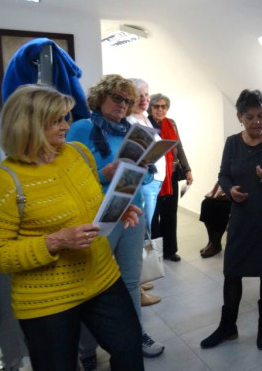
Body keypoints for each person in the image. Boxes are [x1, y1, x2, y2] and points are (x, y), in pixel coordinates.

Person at [0, 85, 144, 371]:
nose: (65, 126)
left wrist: (116, 209)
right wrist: (54, 242)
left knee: (129, 349)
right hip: (46, 300)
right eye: (56, 120)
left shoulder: (78, 153)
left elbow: (88, 204)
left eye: (65, 118)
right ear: (28, 125)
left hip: (102, 279)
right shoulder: (5, 180)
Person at [67, 75, 164, 363]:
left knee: (131, 282)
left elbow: (143, 179)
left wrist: (145, 168)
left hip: (131, 212)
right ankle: (86, 349)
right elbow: (71, 177)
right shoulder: (82, 128)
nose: (123, 104)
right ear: (101, 98)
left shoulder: (132, 131)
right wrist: (104, 173)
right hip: (98, 217)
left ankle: (135, 335)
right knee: (91, 284)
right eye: (117, 98)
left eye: (127, 100)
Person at [200, 89, 262, 351]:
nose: (257, 122)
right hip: (242, 217)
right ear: (240, 117)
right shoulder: (233, 143)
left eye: (261, 115)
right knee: (232, 272)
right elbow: (223, 174)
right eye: (250, 117)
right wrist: (230, 189)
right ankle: (228, 327)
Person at [127, 78, 164, 306]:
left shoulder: (145, 118)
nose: (144, 99)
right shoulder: (129, 121)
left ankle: (141, 278)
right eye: (139, 95)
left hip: (153, 181)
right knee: (140, 232)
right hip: (144, 182)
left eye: (146, 94)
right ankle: (137, 286)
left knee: (145, 230)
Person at [147, 93, 193, 262]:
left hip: (171, 175)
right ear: (150, 108)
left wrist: (187, 169)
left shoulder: (171, 123)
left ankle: (170, 250)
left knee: (170, 214)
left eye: (163, 106)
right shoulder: (145, 124)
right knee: (154, 216)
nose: (160, 109)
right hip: (154, 177)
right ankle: (156, 253)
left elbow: (179, 147)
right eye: (156, 106)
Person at [198, 182, 231, 258]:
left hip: (238, 194)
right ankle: (212, 241)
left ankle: (216, 244)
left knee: (222, 207)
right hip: (226, 190)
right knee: (206, 203)